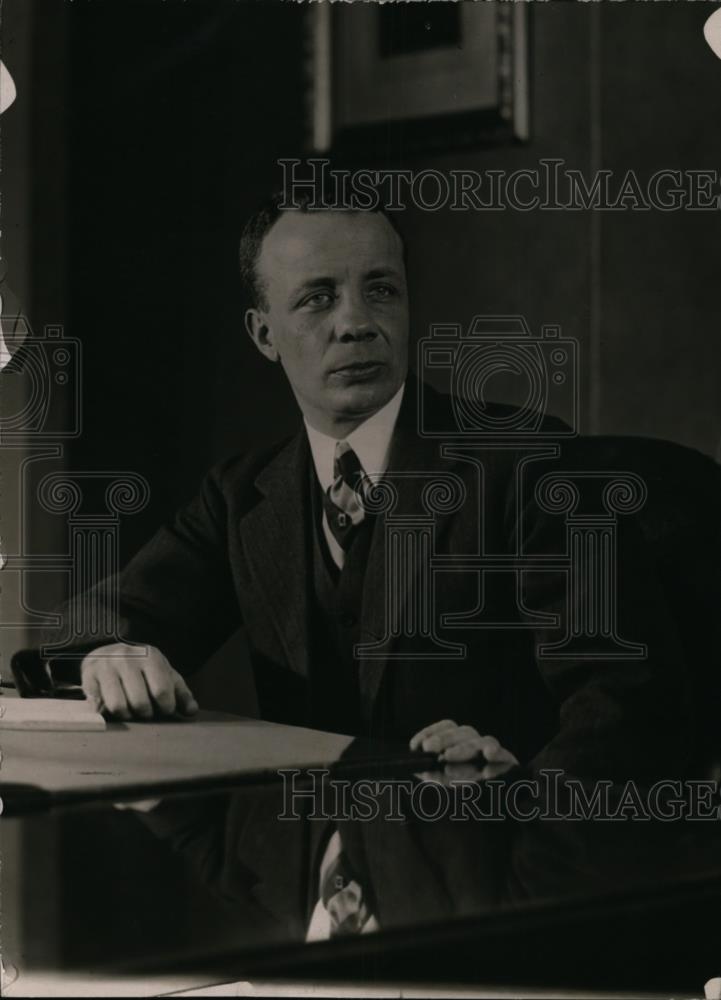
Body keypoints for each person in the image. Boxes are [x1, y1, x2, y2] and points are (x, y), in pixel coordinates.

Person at [66, 194, 691, 936]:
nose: (356, 321)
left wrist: (520, 889)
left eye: (381, 289)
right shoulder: (241, 497)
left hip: (504, 912)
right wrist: (111, 649)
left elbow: (625, 711)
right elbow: (93, 625)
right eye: (317, 297)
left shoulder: (528, 466)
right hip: (316, 919)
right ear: (263, 333)